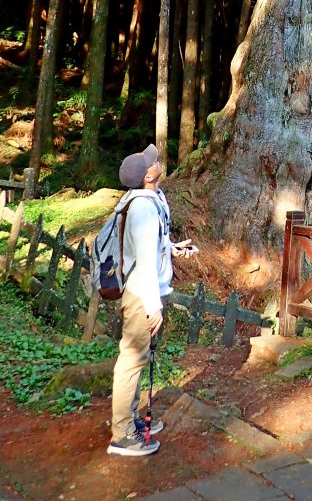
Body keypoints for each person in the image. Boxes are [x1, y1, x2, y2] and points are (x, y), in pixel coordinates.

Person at [107, 143, 196, 457]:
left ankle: (131, 418)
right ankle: (123, 436)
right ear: (146, 176)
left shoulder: (151, 199)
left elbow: (151, 245)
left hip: (145, 290)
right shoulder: (143, 208)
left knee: (139, 358)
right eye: (150, 162)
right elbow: (143, 261)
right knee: (131, 361)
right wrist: (153, 306)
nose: (155, 160)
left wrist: (171, 249)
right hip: (141, 296)